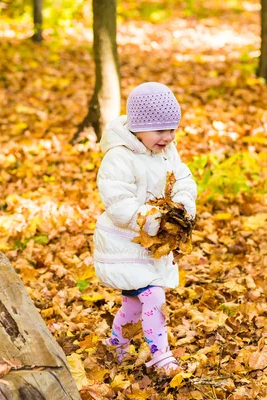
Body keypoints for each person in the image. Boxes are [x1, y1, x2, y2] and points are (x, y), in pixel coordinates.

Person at [93, 82, 197, 375]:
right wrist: (149, 219)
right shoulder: (119, 157)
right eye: (160, 131)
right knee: (153, 297)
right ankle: (161, 357)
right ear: (138, 127)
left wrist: (182, 206)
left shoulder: (167, 152)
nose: (168, 137)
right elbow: (118, 202)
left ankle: (116, 346)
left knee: (134, 305)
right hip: (127, 243)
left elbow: (184, 180)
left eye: (172, 130)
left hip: (154, 245)